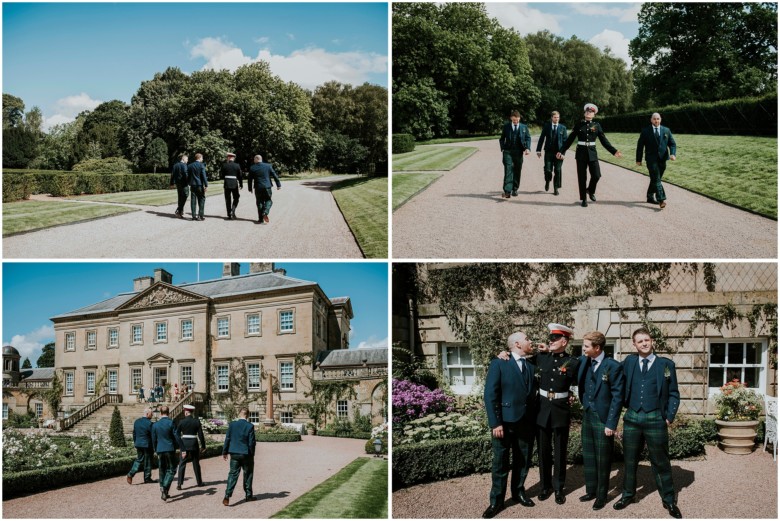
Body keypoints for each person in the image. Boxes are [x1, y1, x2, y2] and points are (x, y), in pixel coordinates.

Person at [614, 328, 682, 519]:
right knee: (629, 460)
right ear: (634, 344)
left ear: (652, 341)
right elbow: (610, 371)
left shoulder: (666, 365)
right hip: (632, 417)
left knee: (661, 461)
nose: (644, 343)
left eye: (647, 340)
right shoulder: (628, 362)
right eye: (640, 341)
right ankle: (628, 494)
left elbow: (674, 393)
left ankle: (668, 499)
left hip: (656, 418)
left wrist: (669, 416)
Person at [481, 332, 538, 518]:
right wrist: (495, 422)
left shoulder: (530, 365)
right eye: (527, 339)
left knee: (523, 459)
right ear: (517, 344)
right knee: (500, 462)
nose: (531, 341)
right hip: (504, 423)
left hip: (526, 422)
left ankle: (518, 492)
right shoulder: (499, 363)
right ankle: (496, 501)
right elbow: (490, 395)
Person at [576, 331, 624, 510]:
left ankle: (602, 495)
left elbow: (617, 397)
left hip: (603, 419)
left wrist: (611, 424)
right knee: (589, 455)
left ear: (597, 348)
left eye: (586, 346)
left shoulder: (613, 366)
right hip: (588, 414)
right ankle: (591, 490)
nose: (583, 349)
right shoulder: (583, 362)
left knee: (603, 458)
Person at [558, 104, 622, 207]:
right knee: (582, 177)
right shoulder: (579, 124)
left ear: (594, 114)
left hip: (592, 153)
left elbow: (604, 140)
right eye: (587, 111)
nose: (588, 112)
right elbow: (569, 139)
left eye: (591, 111)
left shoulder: (597, 125)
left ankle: (591, 190)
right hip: (581, 154)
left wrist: (614, 151)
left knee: (597, 175)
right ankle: (584, 199)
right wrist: (561, 151)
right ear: (584, 113)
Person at [636, 113, 677, 209]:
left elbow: (672, 144)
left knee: (655, 179)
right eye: (654, 119)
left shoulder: (666, 130)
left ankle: (650, 196)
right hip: (651, 159)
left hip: (663, 159)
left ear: (660, 119)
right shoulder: (645, 131)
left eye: (658, 119)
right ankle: (661, 200)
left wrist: (673, 153)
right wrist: (638, 159)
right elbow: (640, 146)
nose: (656, 121)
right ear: (651, 120)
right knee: (657, 179)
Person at [222, 407, 257, 506]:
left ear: (239, 414)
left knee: (232, 475)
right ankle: (248, 495)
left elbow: (227, 439)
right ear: (248, 415)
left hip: (234, 453)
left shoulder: (232, 425)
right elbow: (251, 443)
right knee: (248, 474)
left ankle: (227, 495)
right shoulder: (250, 426)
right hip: (246, 454)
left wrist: (224, 452)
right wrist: (252, 454)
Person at [498, 110, 531, 198]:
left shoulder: (524, 127)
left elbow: (528, 138)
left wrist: (527, 148)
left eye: (516, 120)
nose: (515, 122)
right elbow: (501, 139)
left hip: (519, 152)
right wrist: (502, 148)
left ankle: (515, 189)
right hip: (508, 151)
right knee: (508, 170)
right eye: (513, 120)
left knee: (517, 170)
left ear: (519, 118)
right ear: (511, 118)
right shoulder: (506, 127)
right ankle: (507, 191)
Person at [536, 111, 568, 196]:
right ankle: (547, 181)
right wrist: (538, 150)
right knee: (548, 170)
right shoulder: (547, 127)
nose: (556, 119)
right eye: (555, 117)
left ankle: (556, 188)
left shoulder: (563, 128)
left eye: (558, 117)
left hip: (559, 153)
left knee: (557, 170)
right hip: (548, 152)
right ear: (552, 118)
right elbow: (542, 138)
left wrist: (563, 153)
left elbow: (566, 142)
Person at [151, 405, 179, 501]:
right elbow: (176, 436)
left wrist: (155, 449)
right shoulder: (171, 423)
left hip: (160, 449)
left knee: (162, 470)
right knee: (172, 470)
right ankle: (165, 487)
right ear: (168, 412)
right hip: (170, 449)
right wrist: (179, 447)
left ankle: (164, 491)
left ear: (160, 413)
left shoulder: (155, 425)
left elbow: (153, 439)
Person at [176, 404, 207, 490]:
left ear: (186, 412)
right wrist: (203, 445)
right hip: (194, 444)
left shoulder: (181, 422)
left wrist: (179, 444)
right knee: (196, 464)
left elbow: (177, 434)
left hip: (184, 444)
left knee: (182, 464)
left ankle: (179, 484)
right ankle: (199, 482)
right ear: (191, 412)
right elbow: (201, 434)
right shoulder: (196, 421)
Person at [248, 154, 281, 224]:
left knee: (259, 202)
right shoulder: (268, 166)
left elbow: (249, 179)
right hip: (267, 187)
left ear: (256, 159)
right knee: (269, 200)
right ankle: (265, 212)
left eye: (254, 159)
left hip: (258, 187)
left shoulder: (252, 168)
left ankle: (260, 219)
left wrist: (250, 188)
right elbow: (275, 175)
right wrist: (278, 185)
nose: (253, 160)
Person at [126, 408, 156, 485]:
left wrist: (135, 442)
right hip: (147, 445)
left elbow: (134, 434)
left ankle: (130, 474)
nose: (152, 415)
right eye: (151, 414)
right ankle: (147, 478)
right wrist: (154, 446)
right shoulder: (150, 424)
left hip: (139, 444)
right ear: (147, 414)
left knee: (139, 460)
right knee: (148, 462)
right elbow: (153, 436)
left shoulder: (137, 422)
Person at [220, 152, 243, 220]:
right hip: (234, 184)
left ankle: (229, 214)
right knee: (236, 197)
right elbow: (240, 176)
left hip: (227, 183)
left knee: (228, 199)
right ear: (233, 158)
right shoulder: (237, 165)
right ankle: (233, 210)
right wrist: (241, 184)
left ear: (228, 158)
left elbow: (221, 175)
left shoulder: (224, 165)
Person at [188, 153, 208, 221]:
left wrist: (189, 183)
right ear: (199, 158)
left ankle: (193, 216)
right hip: (199, 185)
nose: (202, 159)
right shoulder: (201, 165)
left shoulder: (190, 165)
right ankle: (200, 216)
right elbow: (204, 176)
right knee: (201, 199)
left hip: (192, 185)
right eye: (202, 158)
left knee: (193, 200)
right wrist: (206, 185)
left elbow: (188, 175)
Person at [169, 154, 189, 218]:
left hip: (178, 184)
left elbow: (172, 175)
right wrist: (189, 181)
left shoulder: (175, 165)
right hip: (184, 183)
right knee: (186, 194)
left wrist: (171, 183)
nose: (187, 160)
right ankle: (179, 210)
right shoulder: (184, 165)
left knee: (180, 197)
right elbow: (186, 174)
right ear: (183, 159)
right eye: (187, 159)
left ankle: (180, 211)